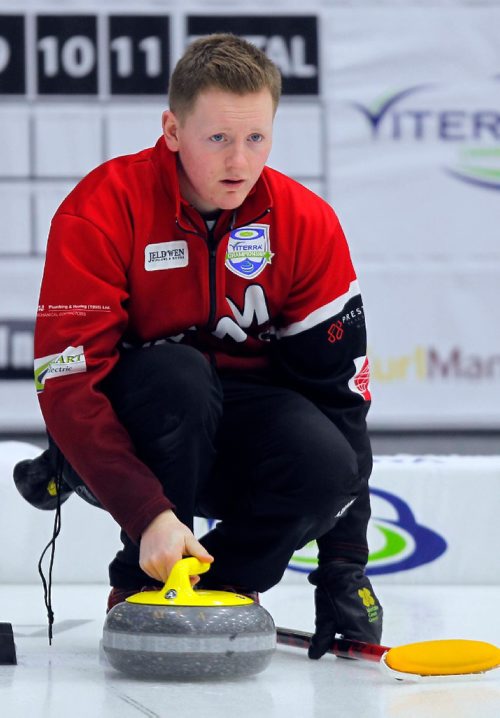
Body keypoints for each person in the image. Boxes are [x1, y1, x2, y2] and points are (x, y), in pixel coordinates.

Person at [14, 33, 382, 659]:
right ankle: (139, 578)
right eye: (218, 139)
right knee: (179, 376)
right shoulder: (100, 209)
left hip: (237, 429)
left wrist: (343, 572)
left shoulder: (305, 224)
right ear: (172, 129)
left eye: (256, 138)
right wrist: (148, 513)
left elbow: (341, 404)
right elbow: (69, 384)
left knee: (330, 465)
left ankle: (225, 583)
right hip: (132, 431)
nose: (239, 162)